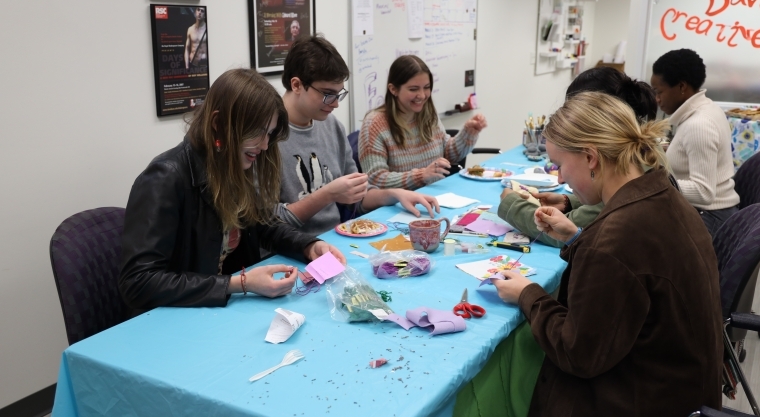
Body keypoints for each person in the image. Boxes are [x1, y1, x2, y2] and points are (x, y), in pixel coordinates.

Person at [452, 91, 722, 417]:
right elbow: (631, 287)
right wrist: (577, 238)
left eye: (560, 165)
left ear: (592, 158)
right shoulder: (663, 195)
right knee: (522, 350)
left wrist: (529, 293)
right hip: (682, 407)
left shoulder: (615, 238)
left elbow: (578, 354)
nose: (560, 178)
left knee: (490, 377)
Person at [119, 69, 345, 313]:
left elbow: (263, 224)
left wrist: (309, 246)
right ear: (218, 123)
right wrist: (239, 284)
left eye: (269, 134)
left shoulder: (232, 163)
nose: (265, 145)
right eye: (258, 132)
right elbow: (138, 282)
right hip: (176, 319)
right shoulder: (165, 178)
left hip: (220, 310)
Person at [277, 35, 440, 235]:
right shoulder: (266, 136)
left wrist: (395, 194)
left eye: (339, 94)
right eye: (328, 94)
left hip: (332, 240)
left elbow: (360, 197)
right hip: (288, 250)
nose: (336, 104)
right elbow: (267, 224)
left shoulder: (331, 126)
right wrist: (327, 195)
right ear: (296, 85)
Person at [498, 67, 657, 247]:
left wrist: (511, 205)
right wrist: (570, 206)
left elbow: (587, 233)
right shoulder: (642, 173)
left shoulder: (621, 218)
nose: (559, 179)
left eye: (560, 165)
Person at [359, 55, 487, 189]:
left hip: (434, 197)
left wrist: (468, 134)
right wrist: (421, 176)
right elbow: (375, 179)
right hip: (397, 205)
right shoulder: (374, 124)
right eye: (413, 89)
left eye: (426, 87)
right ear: (393, 89)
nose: (422, 95)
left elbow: (448, 155)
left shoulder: (428, 113)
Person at [651, 48, 739, 236]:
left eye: (659, 92)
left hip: (710, 217)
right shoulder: (707, 108)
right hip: (711, 211)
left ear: (682, 87)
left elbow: (703, 192)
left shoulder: (698, 125)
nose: (657, 99)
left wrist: (649, 182)